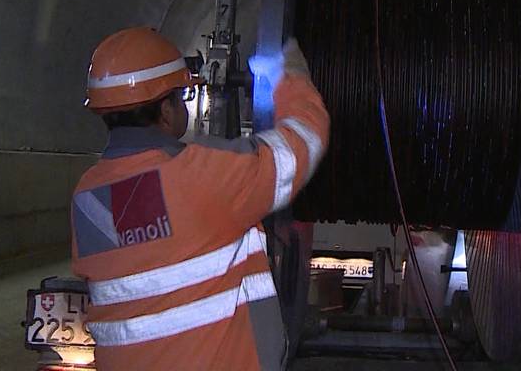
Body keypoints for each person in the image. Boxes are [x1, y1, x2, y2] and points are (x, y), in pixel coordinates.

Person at [71, 26, 328, 370]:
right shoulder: (202, 177)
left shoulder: (87, 198)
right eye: (181, 96)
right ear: (165, 110)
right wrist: (291, 77)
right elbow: (302, 143)